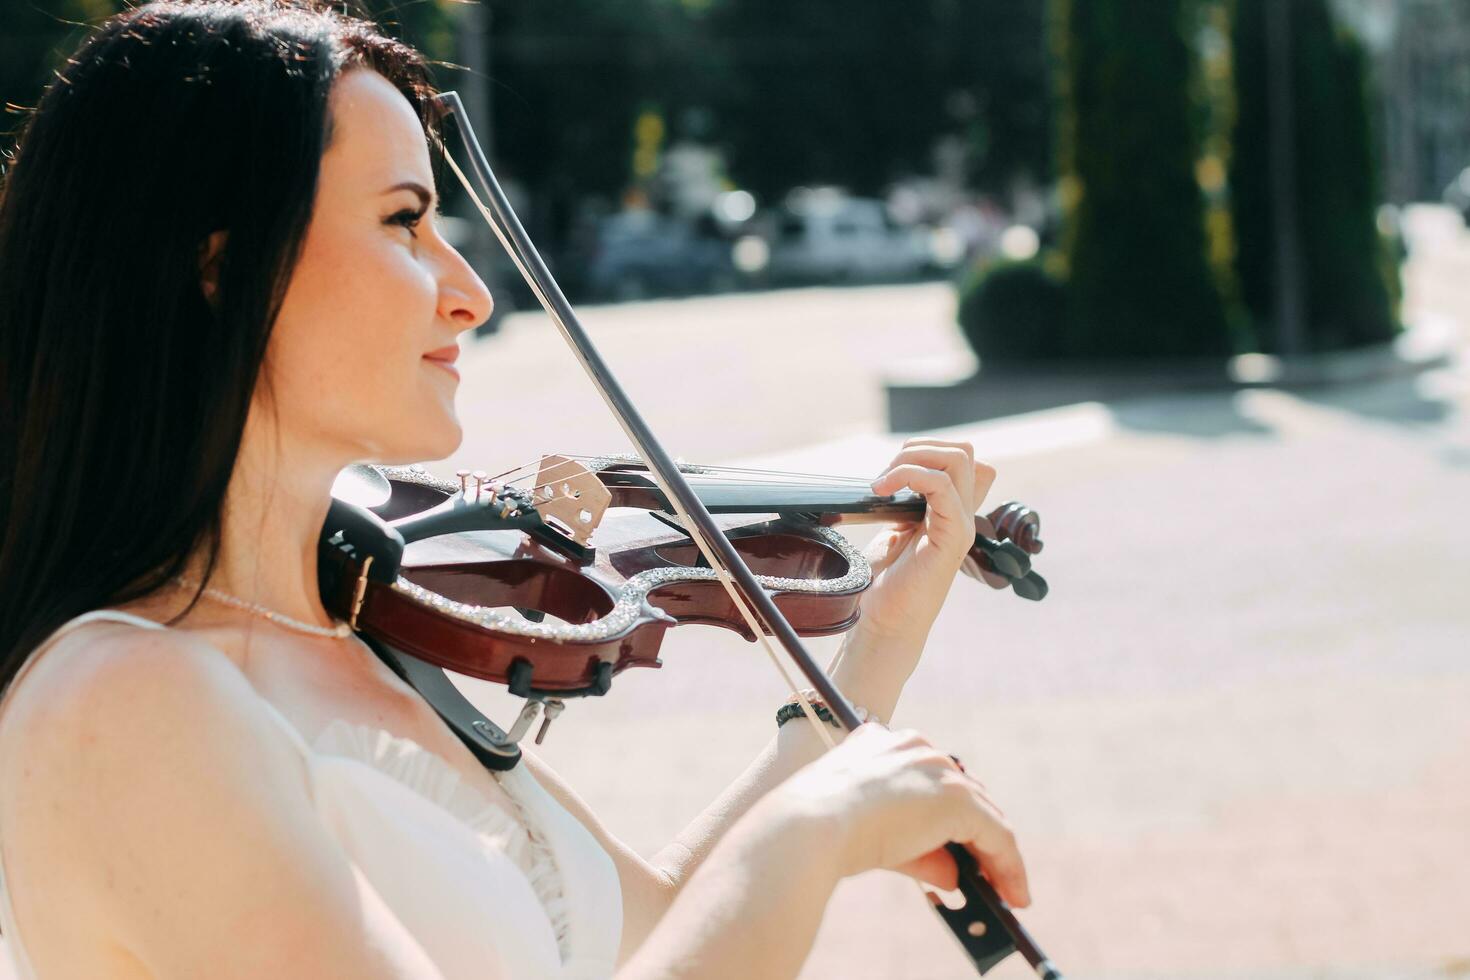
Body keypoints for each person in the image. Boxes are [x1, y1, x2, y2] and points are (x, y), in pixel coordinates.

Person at [0, 2, 1029, 977]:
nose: (472, 290)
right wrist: (819, 830)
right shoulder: (123, 698)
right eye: (404, 222)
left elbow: (657, 935)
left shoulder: (363, 636)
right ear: (222, 269)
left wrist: (876, 646)